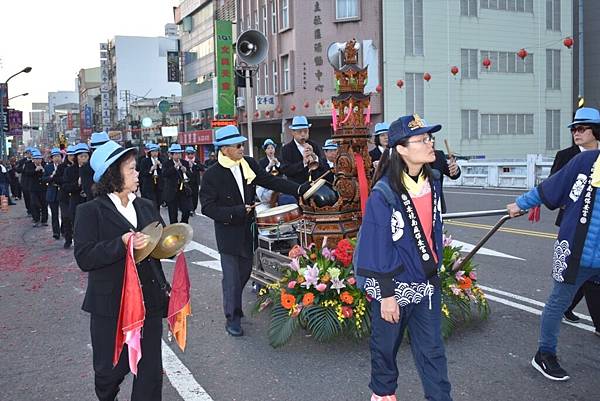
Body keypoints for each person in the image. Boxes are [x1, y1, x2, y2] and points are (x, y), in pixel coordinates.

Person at [354, 114, 452, 401]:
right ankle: (383, 395)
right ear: (401, 149)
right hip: (393, 286)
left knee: (433, 351)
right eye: (422, 139)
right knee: (385, 350)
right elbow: (377, 243)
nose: (429, 143)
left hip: (425, 283)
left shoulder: (432, 180)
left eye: (429, 138)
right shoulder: (383, 192)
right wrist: (386, 295)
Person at [74, 140, 169, 401]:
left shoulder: (146, 206)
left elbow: (160, 244)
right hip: (111, 305)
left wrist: (171, 244)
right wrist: (121, 243)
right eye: (131, 169)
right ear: (113, 175)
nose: (137, 174)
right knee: (110, 370)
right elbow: (84, 257)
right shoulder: (89, 211)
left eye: (136, 169)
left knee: (150, 372)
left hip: (148, 299)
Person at [200, 125, 310, 337]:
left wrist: (298, 189)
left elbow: (270, 180)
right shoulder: (212, 175)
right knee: (232, 278)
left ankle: (233, 306)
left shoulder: (248, 164)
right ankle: (232, 318)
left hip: (249, 230)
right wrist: (237, 211)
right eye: (237, 145)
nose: (242, 148)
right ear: (224, 149)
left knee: (243, 274)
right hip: (228, 233)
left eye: (242, 144)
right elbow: (207, 207)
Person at [507, 145, 600, 381]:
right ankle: (545, 354)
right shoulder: (586, 161)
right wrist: (520, 204)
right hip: (579, 250)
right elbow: (550, 187)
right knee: (558, 302)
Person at [549, 107, 600, 323]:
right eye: (573, 130)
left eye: (581, 129)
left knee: (588, 274)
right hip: (573, 225)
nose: (576, 133)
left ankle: (569, 307)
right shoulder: (566, 156)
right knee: (577, 271)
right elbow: (553, 185)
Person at [280, 115, 329, 184]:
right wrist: (303, 163)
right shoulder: (286, 149)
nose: (303, 134)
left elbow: (324, 167)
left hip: (314, 185)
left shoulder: (314, 145)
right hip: (296, 187)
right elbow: (286, 170)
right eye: (300, 131)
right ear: (293, 132)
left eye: (305, 131)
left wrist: (315, 158)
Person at [161, 143, 192, 224]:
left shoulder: (184, 162)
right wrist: (174, 168)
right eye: (176, 153)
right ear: (171, 155)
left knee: (186, 210)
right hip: (171, 191)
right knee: (173, 214)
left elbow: (190, 176)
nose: (178, 155)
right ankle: (174, 231)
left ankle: (183, 225)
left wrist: (186, 171)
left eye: (179, 153)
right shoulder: (166, 163)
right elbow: (164, 174)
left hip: (183, 190)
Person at [430, 149, 461, 214]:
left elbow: (453, 174)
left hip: (437, 206)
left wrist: (455, 169)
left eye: (430, 139)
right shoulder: (409, 157)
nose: (430, 143)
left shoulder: (438, 155)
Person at [43, 148, 63, 239]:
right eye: (55, 156)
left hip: (63, 193)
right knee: (54, 214)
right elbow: (44, 179)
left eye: (58, 156)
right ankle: (56, 232)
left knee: (65, 214)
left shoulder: (64, 166)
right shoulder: (48, 167)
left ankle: (64, 231)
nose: (57, 158)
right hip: (52, 193)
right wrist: (51, 176)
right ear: (52, 158)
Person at [58, 145, 76, 248]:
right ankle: (68, 239)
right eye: (70, 155)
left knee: (76, 219)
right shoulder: (62, 167)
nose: (72, 157)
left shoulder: (80, 168)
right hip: (64, 197)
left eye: (74, 155)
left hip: (76, 197)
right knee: (66, 217)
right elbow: (57, 179)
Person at [138, 144, 162, 209]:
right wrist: (151, 170)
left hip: (159, 185)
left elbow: (164, 172)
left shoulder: (161, 160)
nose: (155, 153)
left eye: (156, 151)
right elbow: (142, 173)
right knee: (151, 204)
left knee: (157, 204)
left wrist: (160, 165)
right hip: (149, 185)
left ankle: (157, 217)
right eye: (153, 151)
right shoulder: (144, 161)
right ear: (150, 153)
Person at [185, 146, 205, 217]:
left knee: (195, 196)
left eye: (192, 153)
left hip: (195, 182)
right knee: (188, 195)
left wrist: (195, 164)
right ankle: (189, 209)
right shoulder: (183, 161)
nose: (190, 155)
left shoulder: (196, 160)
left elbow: (202, 168)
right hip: (186, 182)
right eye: (188, 154)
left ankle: (193, 209)